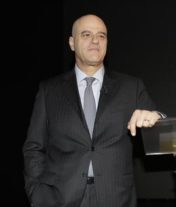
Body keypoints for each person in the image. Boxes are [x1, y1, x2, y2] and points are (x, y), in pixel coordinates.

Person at [23, 14, 164, 207]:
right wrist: (37, 194)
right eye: (86, 34)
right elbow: (34, 148)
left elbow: (161, 134)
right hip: (60, 199)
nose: (95, 40)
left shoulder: (131, 87)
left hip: (116, 198)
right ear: (72, 43)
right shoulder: (49, 91)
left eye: (102, 35)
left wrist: (156, 117)